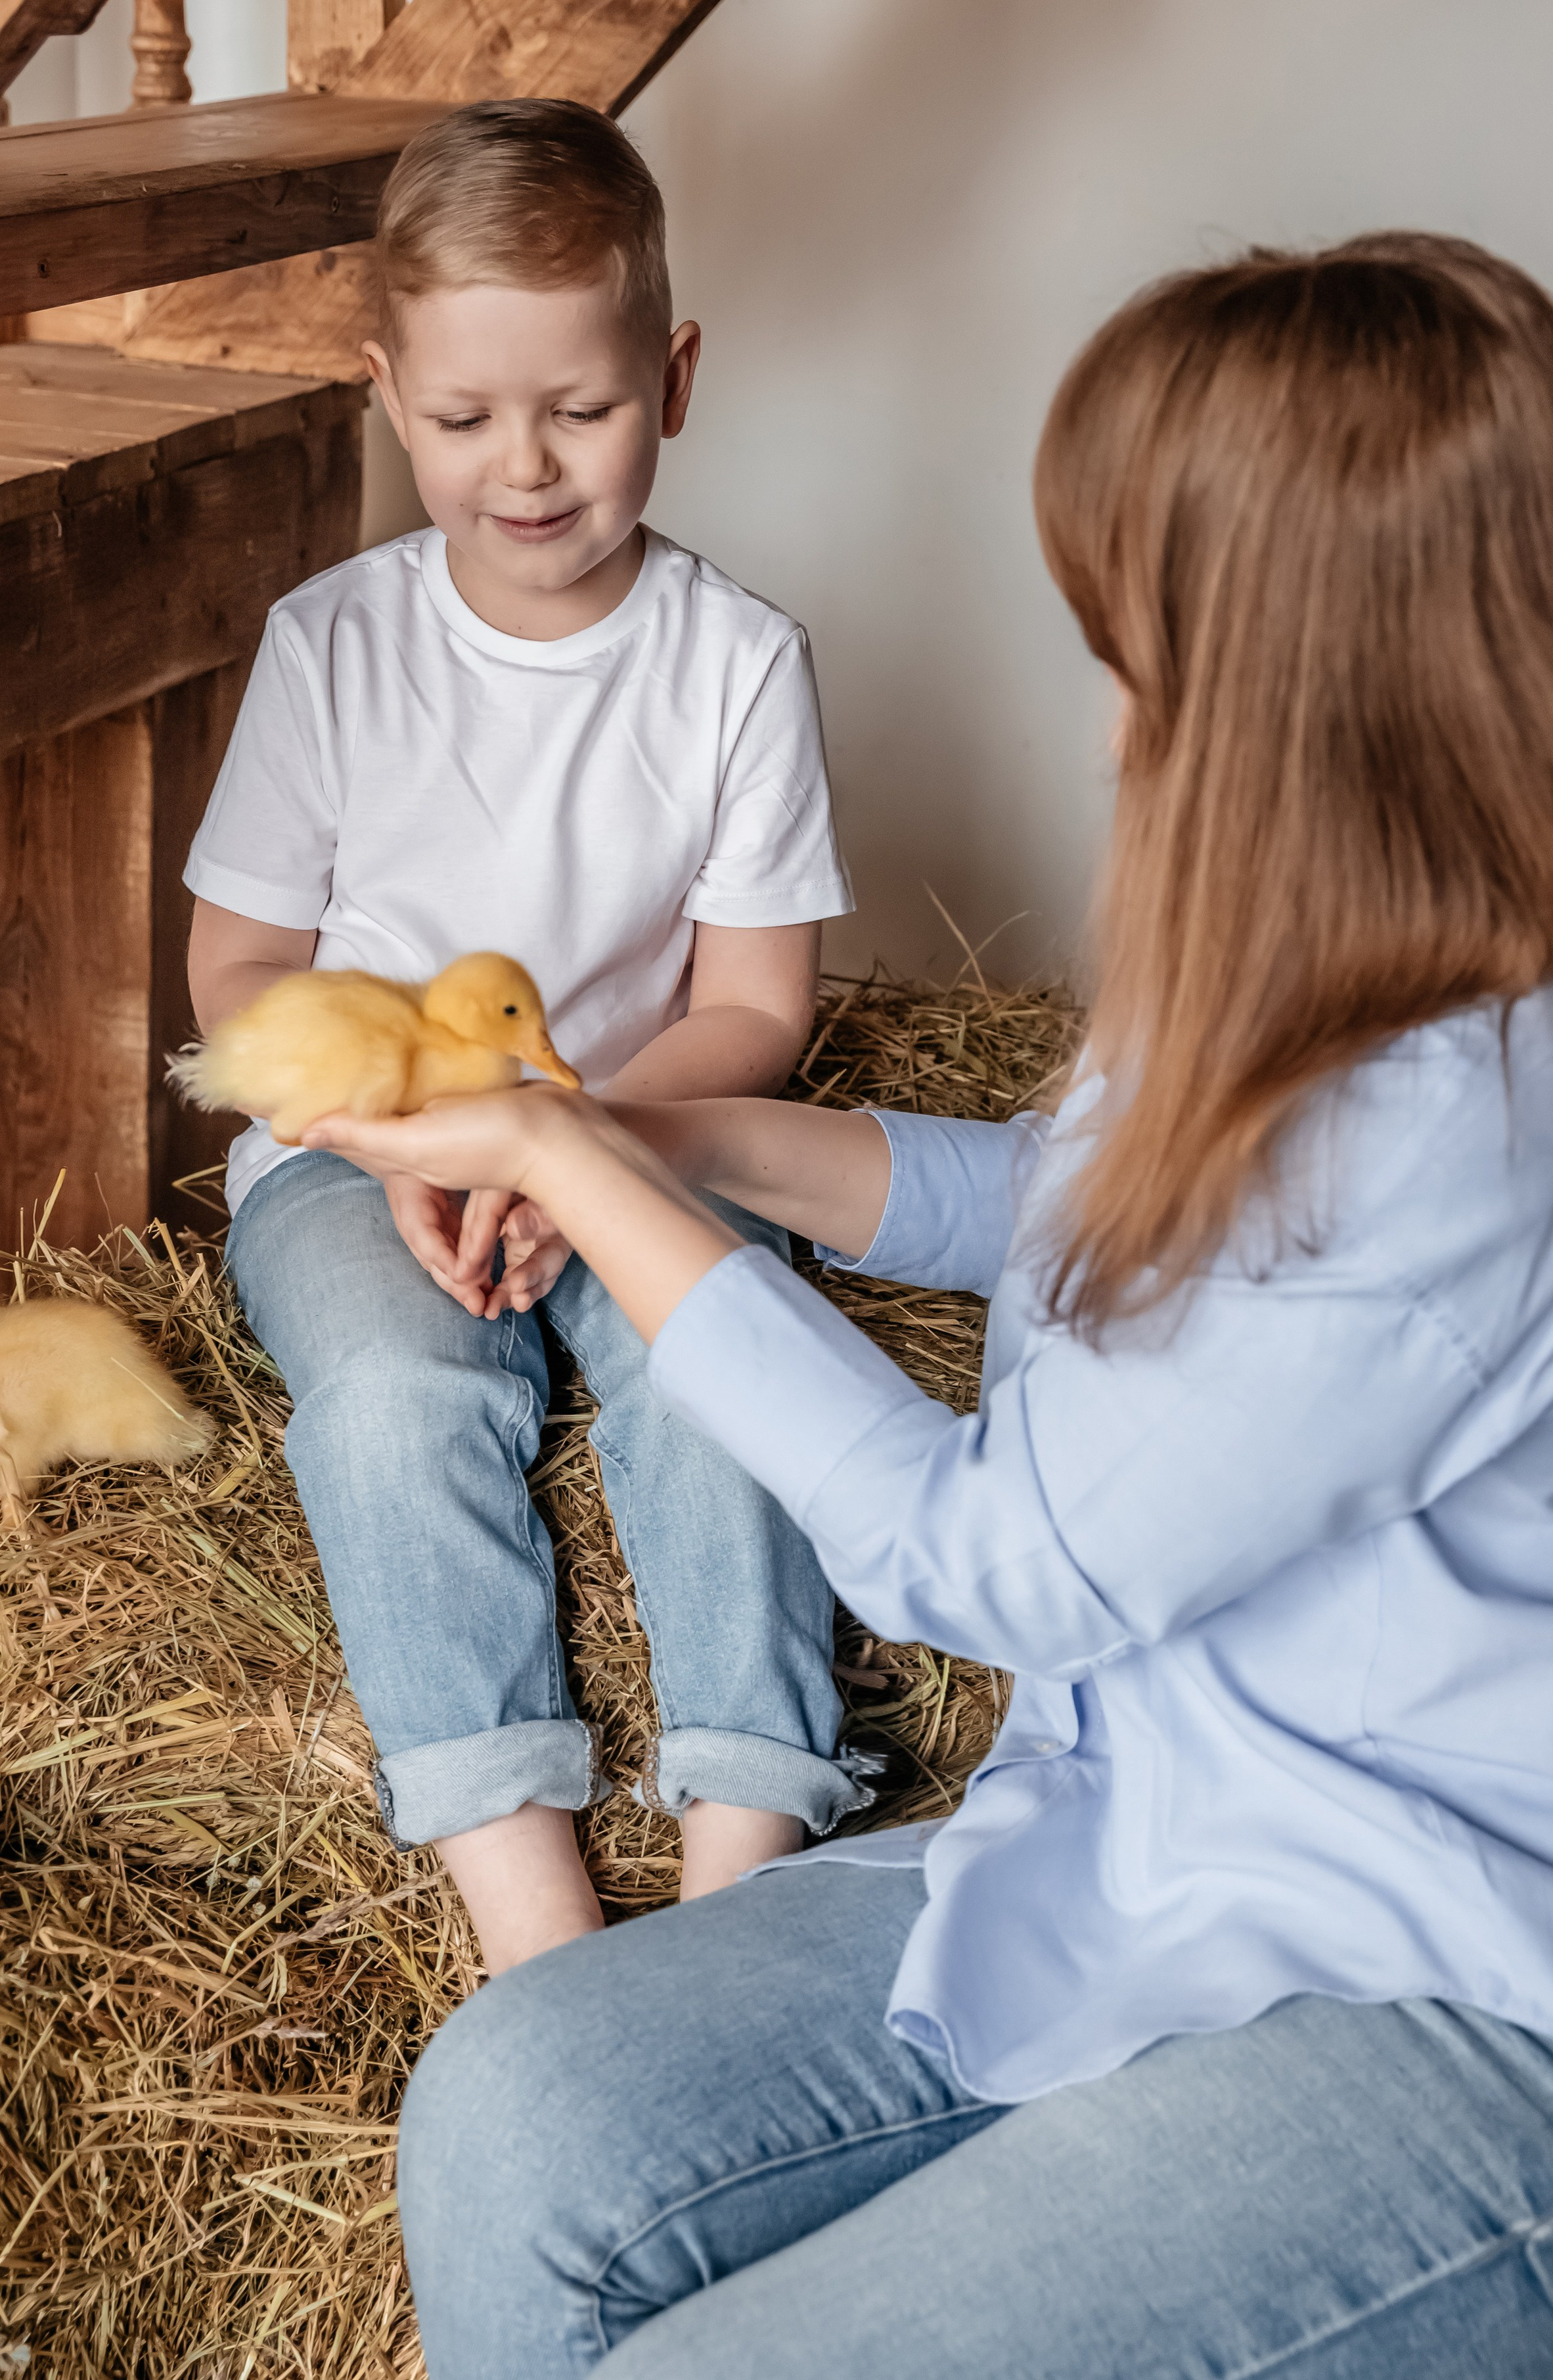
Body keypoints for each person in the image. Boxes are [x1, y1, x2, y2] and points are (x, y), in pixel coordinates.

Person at [306, 233, 1553, 2375]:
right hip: (1154, 1808)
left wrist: (591, 1181)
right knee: (520, 2114)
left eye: (1133, 637)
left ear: (1290, 689)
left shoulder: (1459, 1118)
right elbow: (1061, 1198)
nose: (1106, 701)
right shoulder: (1310, 967)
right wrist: (663, 1136)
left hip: (1432, 1960)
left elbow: (993, 1558)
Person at [183, 99, 868, 1977]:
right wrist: (412, 1135)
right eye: (469, 419)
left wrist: (573, 1150)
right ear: (391, 396)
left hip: (643, 1125)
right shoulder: (332, 644)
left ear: (677, 374)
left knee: (725, 1364)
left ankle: (748, 1847)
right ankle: (534, 1916)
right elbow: (236, 967)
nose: (529, 466)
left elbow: (758, 1006)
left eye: (581, 406)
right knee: (400, 1402)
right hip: (358, 1155)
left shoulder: (735, 662)